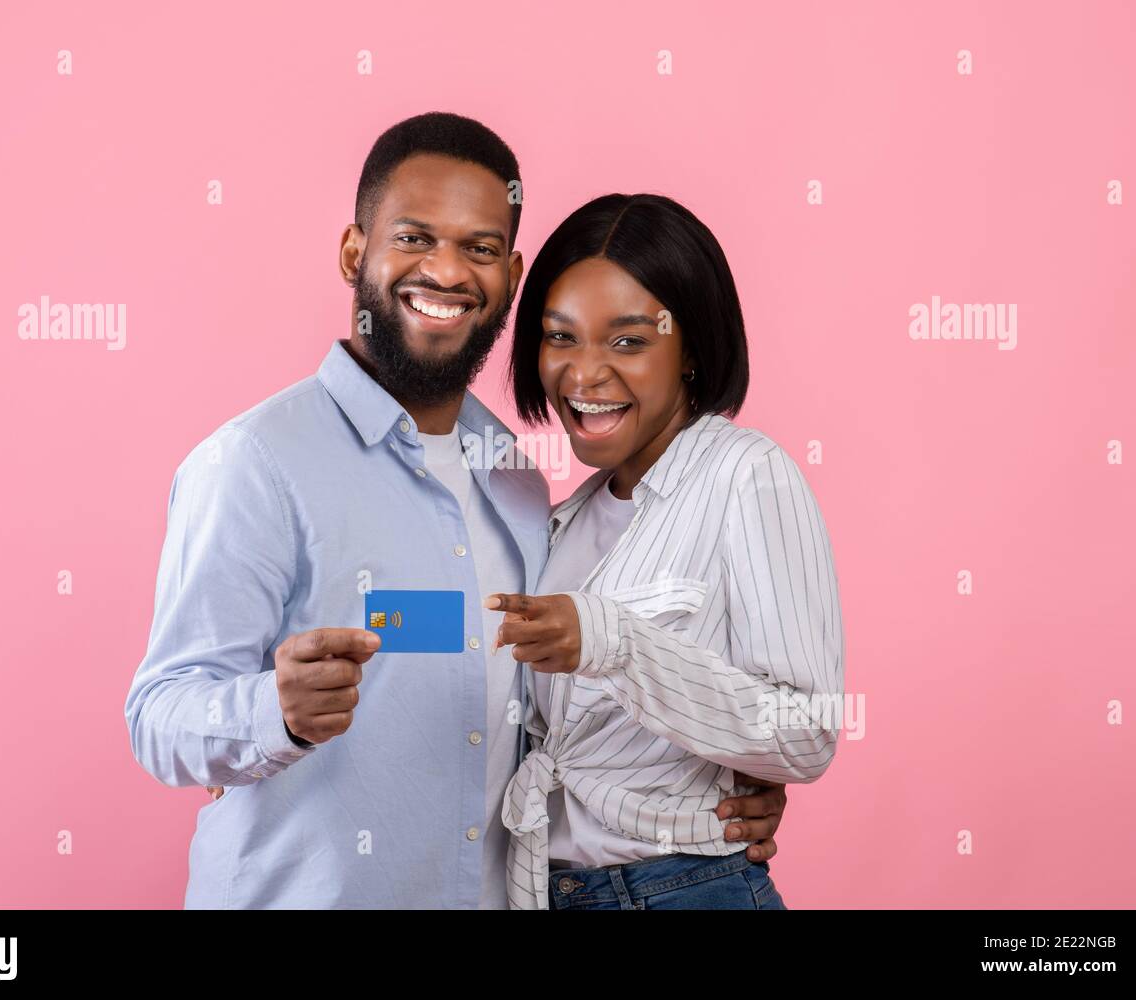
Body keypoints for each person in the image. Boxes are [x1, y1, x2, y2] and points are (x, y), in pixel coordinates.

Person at [125, 113, 787, 908]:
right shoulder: (255, 464)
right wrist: (274, 712)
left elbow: (526, 707)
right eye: (414, 237)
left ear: (508, 275)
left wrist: (701, 793)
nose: (446, 271)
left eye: (477, 248)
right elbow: (159, 715)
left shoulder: (515, 480)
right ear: (353, 253)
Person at [488, 193, 844, 910]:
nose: (583, 376)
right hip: (547, 890)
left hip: (680, 890)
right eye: (561, 338)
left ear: (691, 351)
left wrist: (616, 643)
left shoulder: (745, 476)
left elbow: (807, 733)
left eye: (627, 341)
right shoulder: (553, 522)